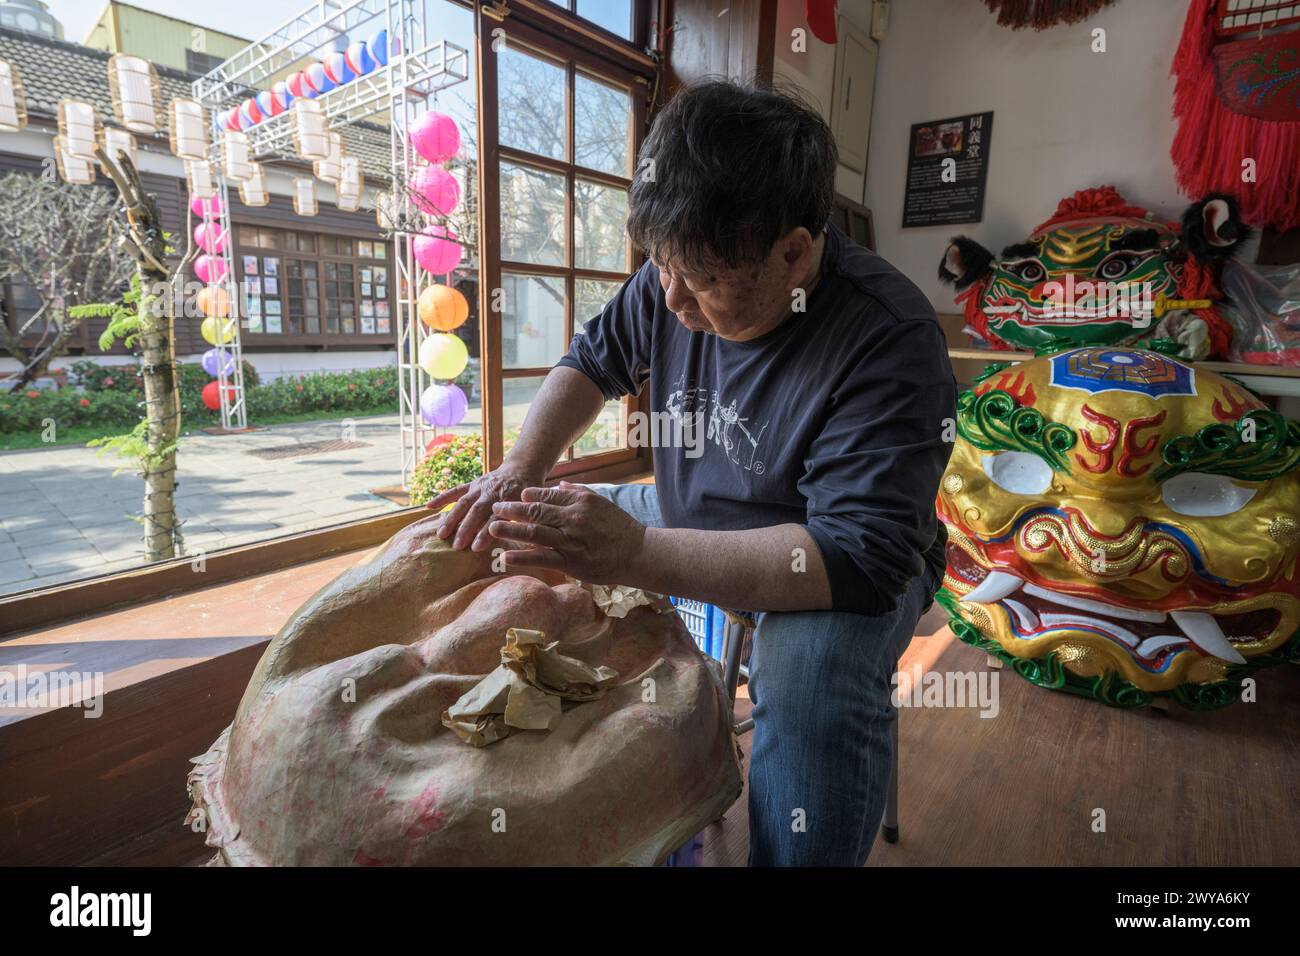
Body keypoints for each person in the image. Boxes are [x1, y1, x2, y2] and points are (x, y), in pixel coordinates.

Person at [430, 79, 957, 866]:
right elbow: (590, 361)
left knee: (811, 682)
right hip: (688, 511)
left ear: (794, 253)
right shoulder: (679, 269)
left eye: (703, 281)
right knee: (509, 518)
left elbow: (853, 556)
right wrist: (517, 469)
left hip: (838, 561)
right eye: (660, 267)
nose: (670, 297)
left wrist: (634, 553)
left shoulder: (890, 338)